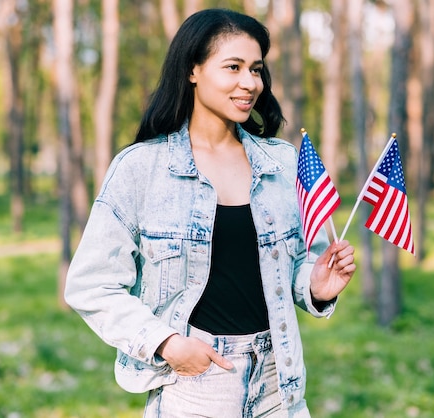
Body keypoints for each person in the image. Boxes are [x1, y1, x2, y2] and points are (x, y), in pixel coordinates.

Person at [64, 7, 356, 418]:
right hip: (195, 385)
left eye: (256, 69)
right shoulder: (142, 168)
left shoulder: (282, 165)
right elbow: (91, 285)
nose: (249, 83)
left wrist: (317, 285)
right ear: (193, 70)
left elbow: (289, 274)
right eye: (232, 67)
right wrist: (166, 344)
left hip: (279, 383)